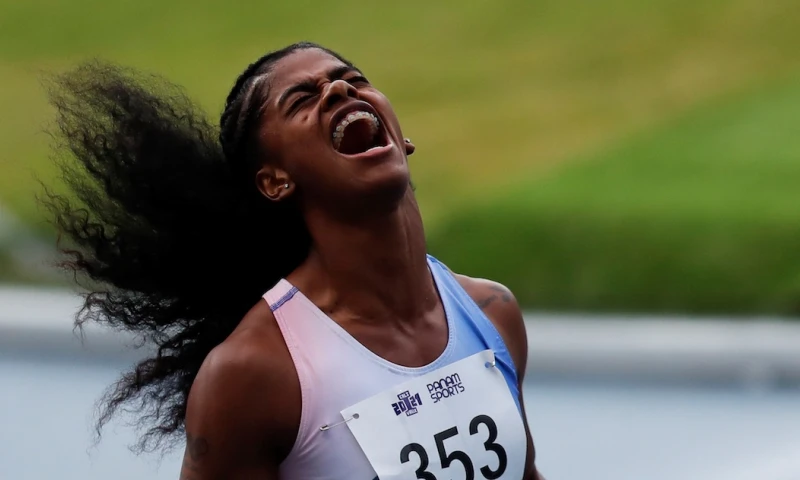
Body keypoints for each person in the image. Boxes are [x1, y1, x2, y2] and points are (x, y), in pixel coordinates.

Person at [43, 41, 544, 479]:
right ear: (274, 181)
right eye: (303, 99)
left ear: (401, 136)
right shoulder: (254, 375)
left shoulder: (492, 312)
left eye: (352, 80)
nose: (339, 92)